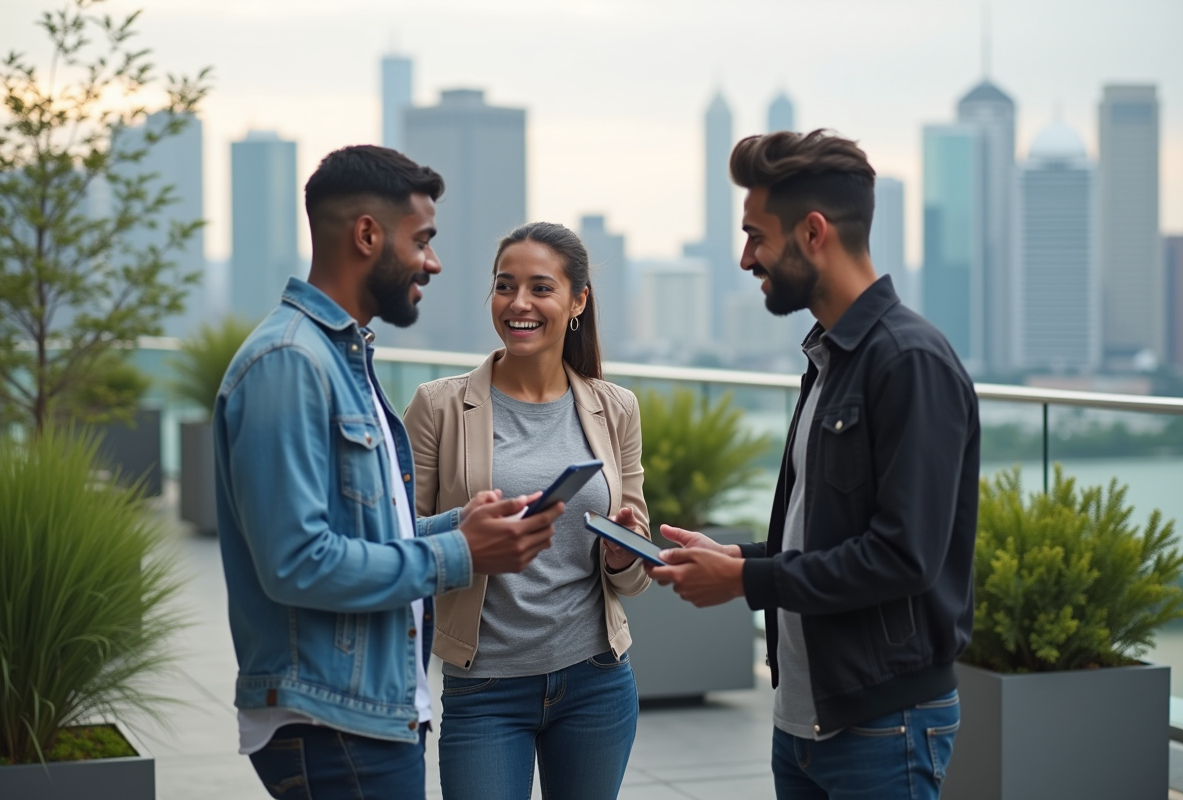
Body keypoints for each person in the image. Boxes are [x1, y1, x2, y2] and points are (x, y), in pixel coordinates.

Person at [213, 146, 564, 800]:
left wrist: (459, 526)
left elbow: (360, 530)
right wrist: (459, 554)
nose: (432, 262)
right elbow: (296, 562)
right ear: (367, 235)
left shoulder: (341, 359)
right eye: (422, 240)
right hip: (330, 719)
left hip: (366, 712)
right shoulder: (289, 364)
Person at [647, 130, 980, 800]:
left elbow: (903, 556)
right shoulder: (831, 357)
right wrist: (736, 556)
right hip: (806, 721)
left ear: (814, 231)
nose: (746, 257)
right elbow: (829, 535)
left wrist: (746, 579)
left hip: (885, 725)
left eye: (755, 235)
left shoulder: (908, 361)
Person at [402, 221, 651, 800]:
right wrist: (467, 534)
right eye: (504, 285)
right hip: (484, 685)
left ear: (577, 302)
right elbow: (398, 540)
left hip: (598, 680)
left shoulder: (616, 408)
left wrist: (621, 555)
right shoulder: (439, 406)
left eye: (541, 288)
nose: (519, 303)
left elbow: (633, 576)